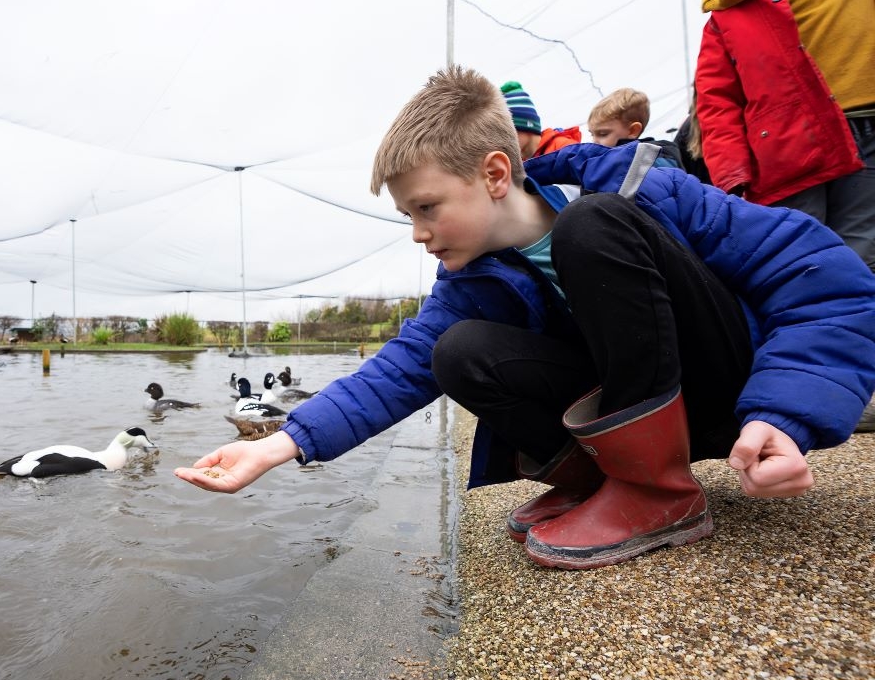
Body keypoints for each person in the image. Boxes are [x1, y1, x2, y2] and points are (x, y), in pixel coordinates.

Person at [175, 66, 875, 571]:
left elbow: (825, 281)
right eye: (406, 216)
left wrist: (783, 413)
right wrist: (275, 446)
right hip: (651, 424)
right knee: (457, 350)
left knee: (592, 230)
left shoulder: (635, 187)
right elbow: (394, 373)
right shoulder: (472, 277)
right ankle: (613, 482)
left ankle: (659, 496)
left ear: (496, 174)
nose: (418, 232)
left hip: (727, 396)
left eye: (426, 207)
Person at [694, 0, 875, 270]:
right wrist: (733, 178)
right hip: (791, 145)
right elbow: (717, 101)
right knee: (808, 262)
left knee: (843, 260)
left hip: (838, 130)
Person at [586, 87, 684, 168]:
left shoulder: (653, 162)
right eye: (592, 134)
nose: (595, 141)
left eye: (603, 134)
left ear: (633, 130)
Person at [500, 80, 581, 159]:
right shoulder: (515, 165)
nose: (503, 140)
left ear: (527, 124)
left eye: (507, 131)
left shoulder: (564, 149)